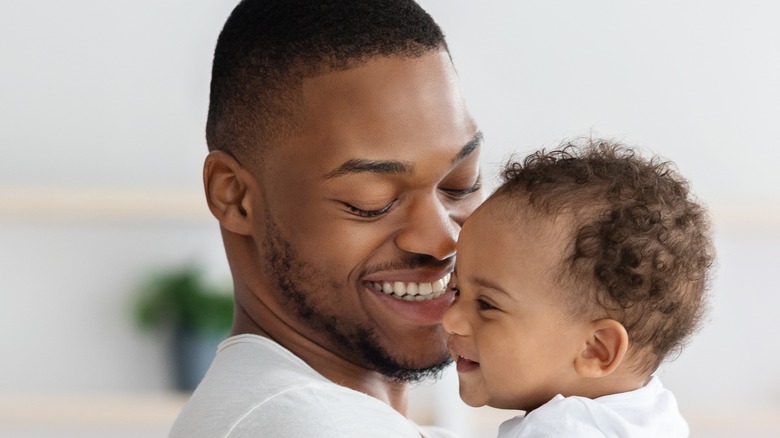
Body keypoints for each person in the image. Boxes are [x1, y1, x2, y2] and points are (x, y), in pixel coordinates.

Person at [169, 0, 484, 437]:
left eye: (461, 183)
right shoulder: (312, 424)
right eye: (371, 200)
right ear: (235, 197)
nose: (443, 240)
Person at [443, 140, 715, 437]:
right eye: (456, 290)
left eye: (486, 304)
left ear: (596, 349)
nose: (450, 319)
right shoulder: (656, 412)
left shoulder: (558, 430)